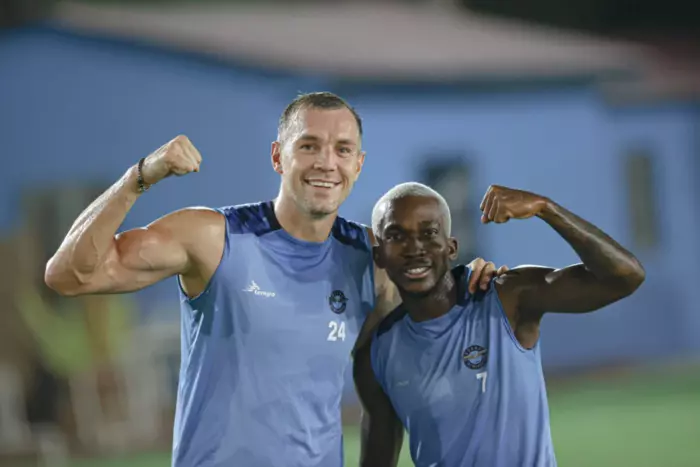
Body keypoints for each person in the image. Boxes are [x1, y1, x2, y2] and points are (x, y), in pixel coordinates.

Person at [44, 92, 506, 467]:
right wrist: (141, 176)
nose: (326, 162)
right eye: (309, 146)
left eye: (342, 150)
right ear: (277, 157)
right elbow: (69, 275)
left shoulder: (372, 260)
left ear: (358, 165)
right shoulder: (213, 237)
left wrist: (476, 281)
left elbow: (432, 341)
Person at [354, 182, 645, 467]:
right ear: (380, 255)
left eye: (429, 233)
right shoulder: (376, 354)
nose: (414, 248)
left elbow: (625, 277)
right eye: (396, 236)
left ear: (451, 247)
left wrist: (547, 208)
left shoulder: (507, 297)